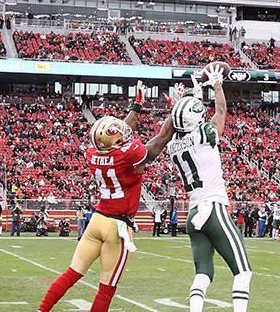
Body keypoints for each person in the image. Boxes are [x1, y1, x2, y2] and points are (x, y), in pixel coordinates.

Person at [39, 80, 164, 312]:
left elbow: (120, 136)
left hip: (97, 220)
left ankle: (41, 310)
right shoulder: (128, 156)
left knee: (71, 274)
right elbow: (157, 143)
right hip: (117, 227)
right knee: (106, 289)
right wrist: (174, 121)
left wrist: (137, 107)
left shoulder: (94, 151)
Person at [155, 65, 252, 312]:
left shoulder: (172, 145)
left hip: (194, 213)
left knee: (203, 273)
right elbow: (220, 113)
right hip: (214, 208)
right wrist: (217, 84)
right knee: (243, 272)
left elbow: (177, 125)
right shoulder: (204, 133)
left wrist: (184, 102)